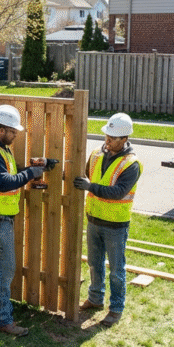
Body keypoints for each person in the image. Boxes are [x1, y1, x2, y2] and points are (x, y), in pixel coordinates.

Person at [0, 104, 48, 336]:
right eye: (13, 131)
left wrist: (37, 168)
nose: (15, 135)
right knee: (4, 270)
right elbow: (4, 183)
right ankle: (2, 319)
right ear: (1, 129)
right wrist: (30, 175)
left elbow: (9, 174)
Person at [73, 112, 142, 327]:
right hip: (94, 219)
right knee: (94, 264)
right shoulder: (95, 154)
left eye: (112, 138)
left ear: (125, 139)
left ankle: (116, 308)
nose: (107, 140)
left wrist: (90, 187)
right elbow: (87, 175)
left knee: (117, 270)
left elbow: (118, 192)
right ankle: (95, 298)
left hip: (115, 224)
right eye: (107, 136)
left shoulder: (132, 164)